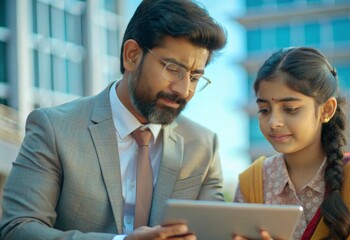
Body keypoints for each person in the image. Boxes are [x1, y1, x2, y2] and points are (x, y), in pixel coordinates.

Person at [0, 0, 227, 239]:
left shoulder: (203, 145)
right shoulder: (54, 128)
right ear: (131, 56)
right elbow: (18, 229)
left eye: (194, 77)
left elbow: (215, 231)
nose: (183, 90)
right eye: (172, 69)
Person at [233, 47, 350, 240]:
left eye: (290, 109)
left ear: (326, 110)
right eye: (264, 110)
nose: (273, 122)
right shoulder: (252, 183)